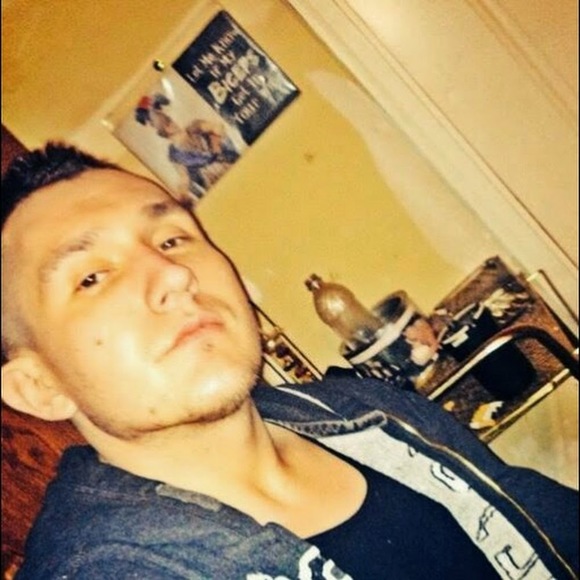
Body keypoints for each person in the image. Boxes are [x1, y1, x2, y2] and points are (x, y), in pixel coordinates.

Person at [1, 142, 577, 580]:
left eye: (172, 240)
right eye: (91, 277)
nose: (173, 275)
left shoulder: (367, 409)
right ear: (38, 385)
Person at [135, 93, 240, 203]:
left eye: (169, 120)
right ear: (165, 130)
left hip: (228, 165)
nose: (172, 124)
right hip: (214, 182)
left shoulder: (193, 127)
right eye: (168, 123)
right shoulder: (174, 155)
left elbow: (218, 127)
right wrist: (182, 193)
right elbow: (185, 179)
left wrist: (216, 143)